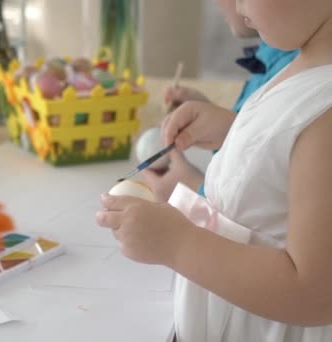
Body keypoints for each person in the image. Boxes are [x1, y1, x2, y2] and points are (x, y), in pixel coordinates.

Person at [96, 0, 332, 341]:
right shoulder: (306, 66)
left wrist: (176, 243)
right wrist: (234, 131)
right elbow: (288, 167)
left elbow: (314, 293)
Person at [141, 0, 298, 203]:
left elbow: (267, 207)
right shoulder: (273, 53)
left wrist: (194, 192)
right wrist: (222, 126)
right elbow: (261, 147)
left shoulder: (295, 78)